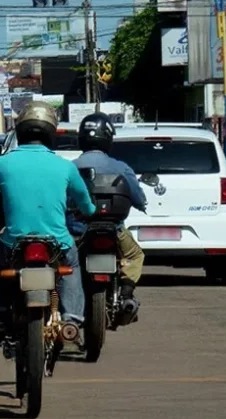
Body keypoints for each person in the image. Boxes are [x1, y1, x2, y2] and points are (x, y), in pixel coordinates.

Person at [0, 101, 96, 346]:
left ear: (20, 132)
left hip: (12, 242)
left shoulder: (2, 164)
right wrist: (89, 213)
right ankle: (72, 320)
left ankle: (1, 315)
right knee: (72, 265)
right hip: (59, 244)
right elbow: (87, 206)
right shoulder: (65, 166)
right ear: (50, 134)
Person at [67, 112, 147, 325]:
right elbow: (139, 198)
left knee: (65, 265)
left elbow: (60, 199)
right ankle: (126, 295)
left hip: (77, 232)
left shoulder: (70, 167)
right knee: (135, 255)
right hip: (115, 230)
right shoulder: (121, 167)